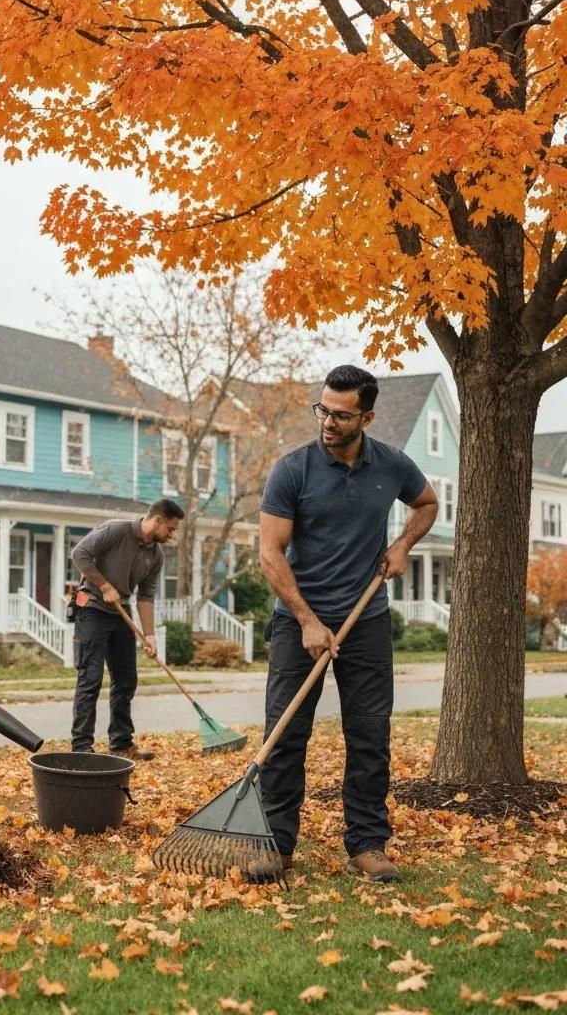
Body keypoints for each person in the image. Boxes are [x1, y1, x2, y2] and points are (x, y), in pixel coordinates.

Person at [257, 365, 438, 883]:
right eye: (322, 410)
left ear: (367, 416)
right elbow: (271, 552)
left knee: (369, 734)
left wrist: (402, 544)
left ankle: (366, 843)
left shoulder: (391, 464)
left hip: (366, 620)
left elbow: (427, 503)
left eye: (340, 414)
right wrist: (307, 620)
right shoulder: (293, 469)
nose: (327, 422)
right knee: (287, 732)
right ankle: (277, 844)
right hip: (299, 622)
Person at [69, 499, 185, 760]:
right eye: (171, 529)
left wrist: (150, 635)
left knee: (125, 679)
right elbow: (80, 554)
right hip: (93, 609)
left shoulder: (155, 555)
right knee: (91, 677)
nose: (171, 534)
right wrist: (103, 585)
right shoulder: (116, 530)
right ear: (157, 521)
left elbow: (146, 595)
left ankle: (121, 744)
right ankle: (81, 748)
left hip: (121, 611)